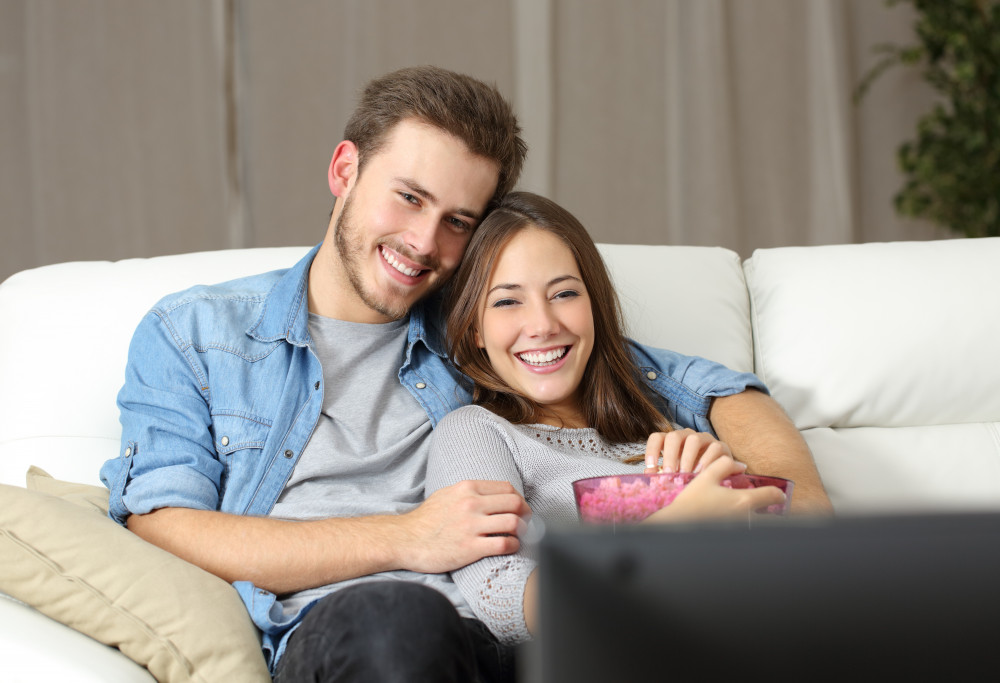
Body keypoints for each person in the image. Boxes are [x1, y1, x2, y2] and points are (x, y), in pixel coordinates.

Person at [101, 66, 830, 682]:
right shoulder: (198, 332)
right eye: (409, 197)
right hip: (357, 630)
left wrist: (798, 504)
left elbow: (704, 386)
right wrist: (407, 537)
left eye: (457, 220)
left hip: (508, 634)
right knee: (401, 622)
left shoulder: (479, 327)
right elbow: (161, 523)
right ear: (344, 170)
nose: (423, 242)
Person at [426, 191, 799, 644]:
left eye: (564, 293)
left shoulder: (661, 427)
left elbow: (786, 573)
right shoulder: (474, 432)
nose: (543, 324)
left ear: (594, 307)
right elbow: (503, 604)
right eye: (507, 301)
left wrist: (723, 481)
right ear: (473, 329)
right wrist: (672, 529)